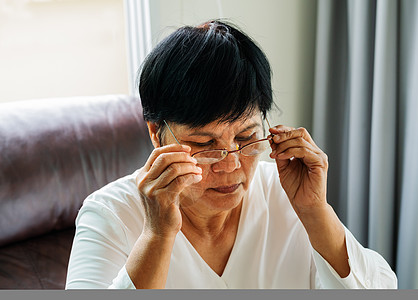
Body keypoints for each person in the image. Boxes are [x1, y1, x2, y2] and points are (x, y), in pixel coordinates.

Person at [65, 20, 397, 289]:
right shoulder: (109, 214)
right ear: (157, 133)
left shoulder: (286, 192)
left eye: (246, 136)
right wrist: (157, 235)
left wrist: (316, 212)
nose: (231, 163)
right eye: (205, 144)